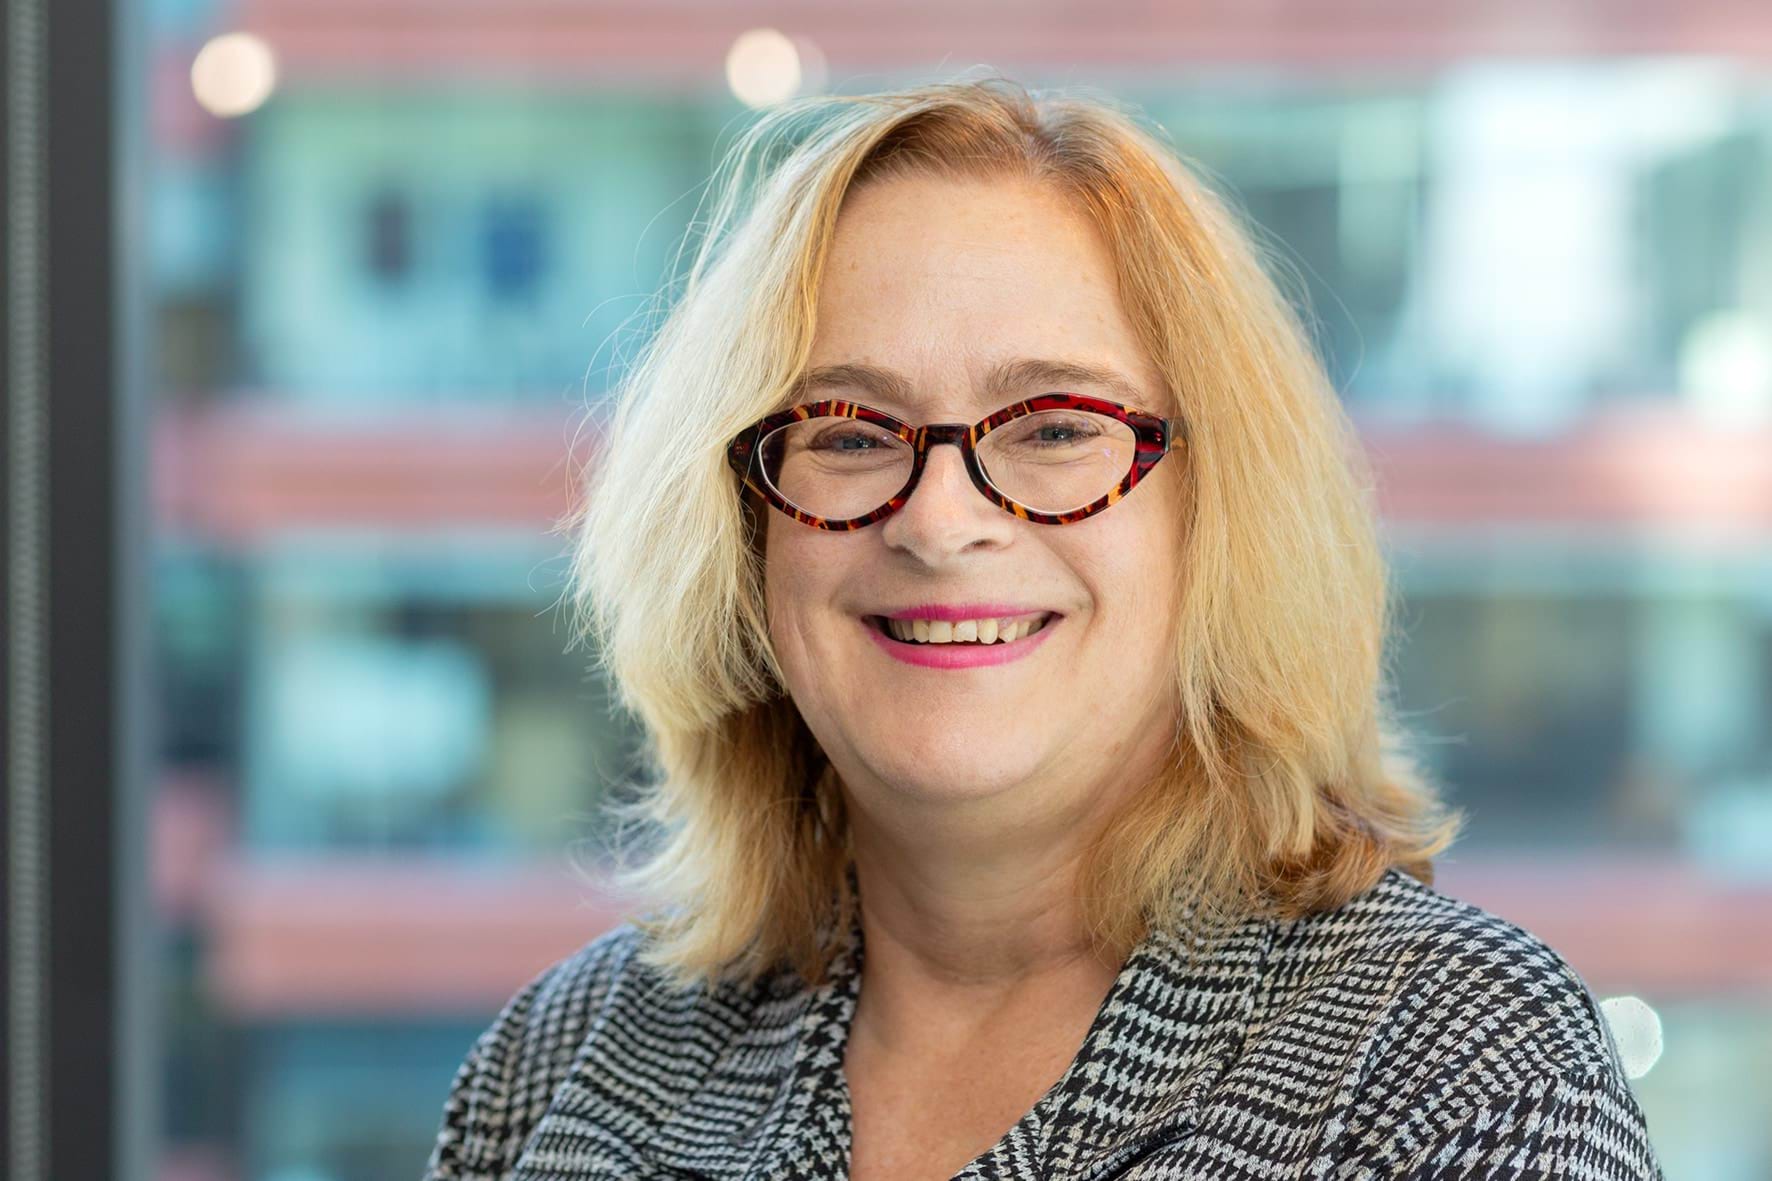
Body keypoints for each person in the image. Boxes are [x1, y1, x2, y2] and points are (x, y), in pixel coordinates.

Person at [422, 74, 1664, 1180]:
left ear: (1217, 508)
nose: (939, 520)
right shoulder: (563, 1064)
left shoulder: (1458, 1072)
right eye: (849, 432)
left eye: (1055, 424)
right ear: (744, 531)